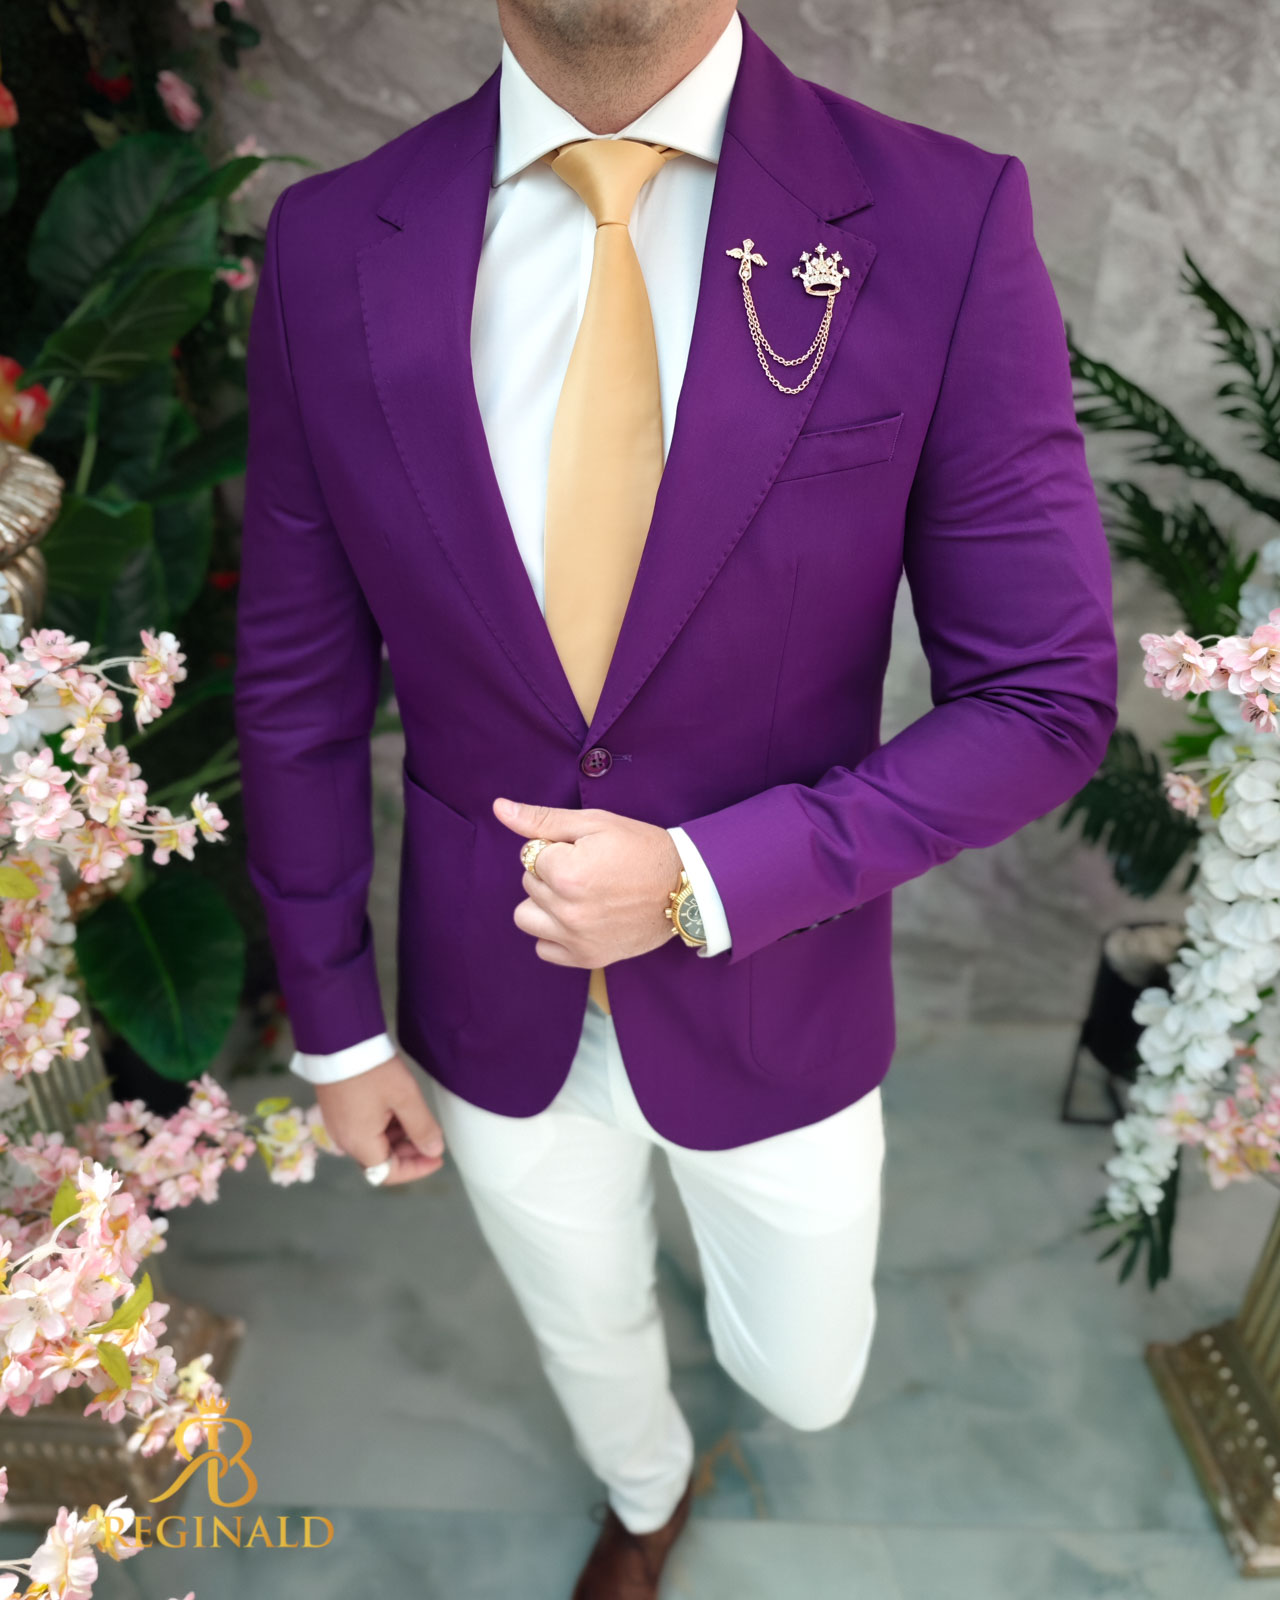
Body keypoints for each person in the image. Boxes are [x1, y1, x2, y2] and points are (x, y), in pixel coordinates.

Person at [233, 3, 1118, 1593]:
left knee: (806, 1375)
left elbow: (1044, 696)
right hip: (485, 986)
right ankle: (641, 1492)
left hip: (783, 981)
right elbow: (296, 677)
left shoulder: (940, 217)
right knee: (581, 1320)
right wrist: (338, 1024)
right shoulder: (328, 244)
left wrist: (712, 879)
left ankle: (736, 1408)